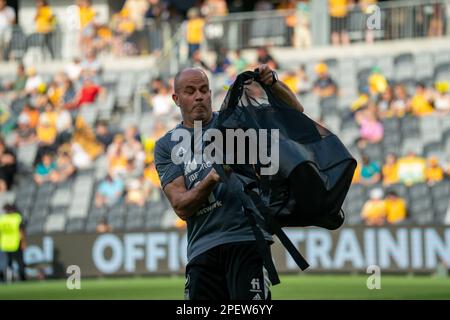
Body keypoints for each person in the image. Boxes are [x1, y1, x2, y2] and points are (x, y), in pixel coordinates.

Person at [154, 65, 304, 300]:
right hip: (202, 250)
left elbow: (294, 114)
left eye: (204, 90)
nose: (199, 96)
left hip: (247, 241)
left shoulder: (236, 122)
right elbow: (181, 207)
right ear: (176, 99)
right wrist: (214, 176)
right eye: (190, 91)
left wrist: (273, 83)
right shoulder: (167, 146)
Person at [0, 204, 27, 282]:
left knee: (8, 263)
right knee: (20, 262)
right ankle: (22, 279)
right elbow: (21, 231)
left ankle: (8, 279)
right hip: (16, 243)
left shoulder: (2, 219)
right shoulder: (16, 218)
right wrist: (24, 242)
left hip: (5, 244)